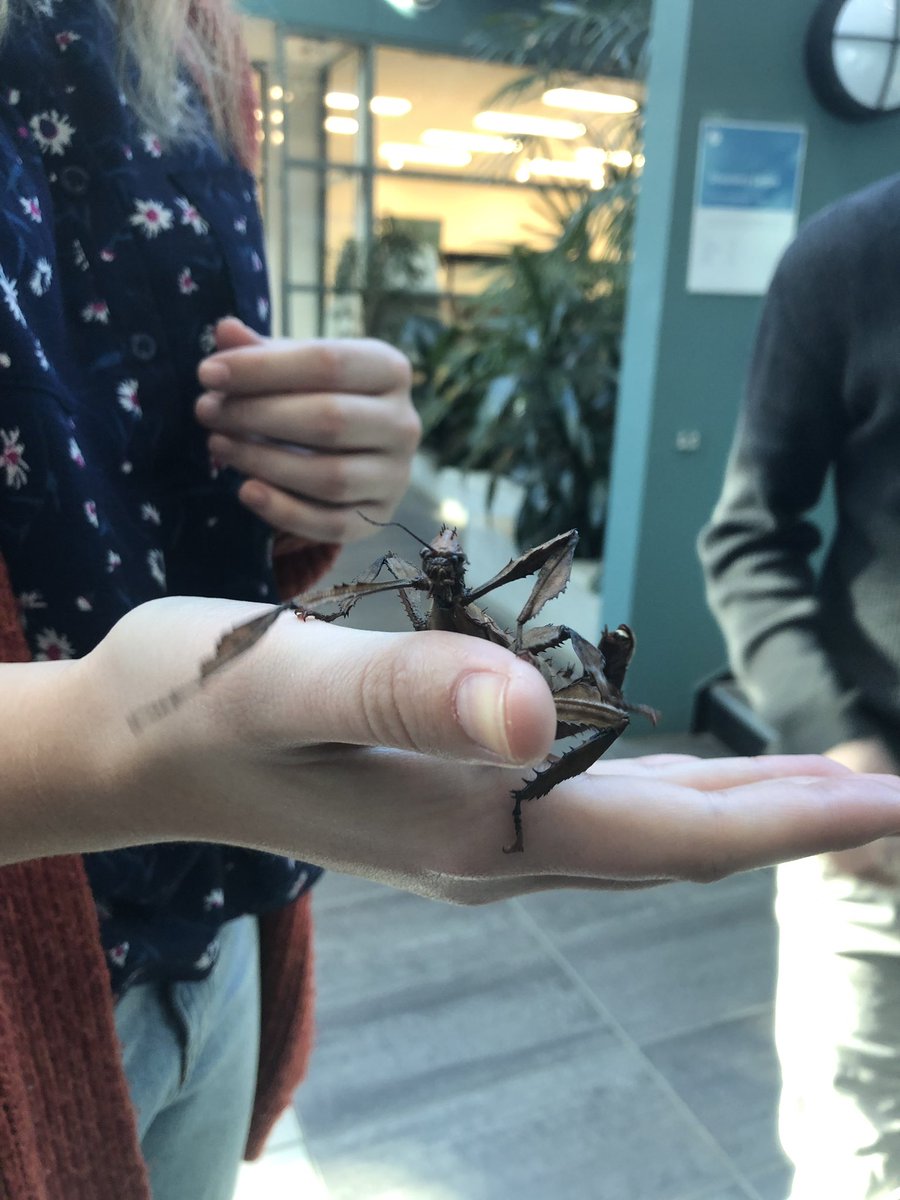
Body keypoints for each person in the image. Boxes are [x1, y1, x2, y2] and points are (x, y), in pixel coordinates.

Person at [4, 4, 900, 1200]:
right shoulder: (852, 258)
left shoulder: (196, 49)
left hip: (221, 929)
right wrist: (109, 743)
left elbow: (184, 507)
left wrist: (331, 477)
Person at [699, 174, 900, 1200]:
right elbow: (748, 539)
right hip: (879, 839)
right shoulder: (850, 255)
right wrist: (838, 751)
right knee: (861, 1168)